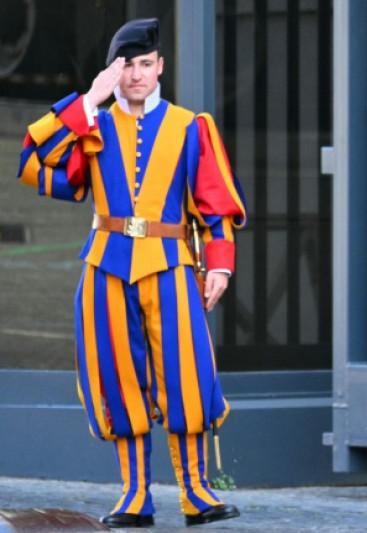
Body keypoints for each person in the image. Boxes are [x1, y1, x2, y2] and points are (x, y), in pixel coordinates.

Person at [16, 18, 246, 528]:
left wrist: (220, 266)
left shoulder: (190, 126)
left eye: (146, 64)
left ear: (160, 66)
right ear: (112, 72)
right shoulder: (91, 124)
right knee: (118, 379)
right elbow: (33, 162)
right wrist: (88, 101)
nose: (137, 75)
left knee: (187, 377)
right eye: (127, 66)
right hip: (106, 266)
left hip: (171, 265)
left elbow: (215, 206)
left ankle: (196, 491)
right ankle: (135, 495)